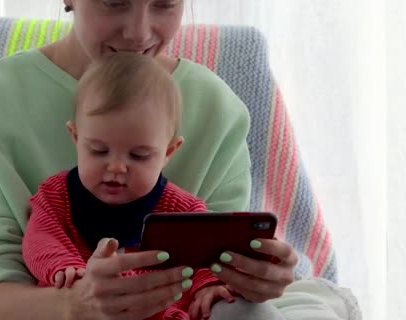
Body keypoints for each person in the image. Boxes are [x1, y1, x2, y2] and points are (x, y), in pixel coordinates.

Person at [0, 0, 298, 319]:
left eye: (165, 3)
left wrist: (248, 279)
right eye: (114, 1)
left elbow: (214, 269)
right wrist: (74, 304)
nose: (139, 33)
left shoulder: (217, 108)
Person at [22, 52, 285, 320]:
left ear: (169, 152)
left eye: (138, 156)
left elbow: (203, 259)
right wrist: (64, 267)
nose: (116, 168)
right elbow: (41, 238)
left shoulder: (184, 211)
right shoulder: (55, 196)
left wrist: (210, 286)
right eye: (99, 151)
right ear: (76, 138)